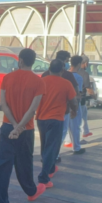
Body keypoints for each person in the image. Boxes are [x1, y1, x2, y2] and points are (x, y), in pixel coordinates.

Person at [0, 48, 46, 203]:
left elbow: (3, 104)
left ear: (21, 60)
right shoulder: (39, 82)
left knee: (2, 167)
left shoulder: (7, 78)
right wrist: (20, 127)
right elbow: (32, 110)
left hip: (7, 128)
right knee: (24, 164)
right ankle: (31, 191)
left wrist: (14, 125)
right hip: (26, 130)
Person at [36, 59, 76, 187]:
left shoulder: (41, 82)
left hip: (41, 119)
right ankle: (43, 178)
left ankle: (51, 168)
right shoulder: (66, 83)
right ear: (62, 71)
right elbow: (73, 101)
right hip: (56, 119)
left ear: (49, 69)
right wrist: (74, 111)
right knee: (52, 148)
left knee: (45, 145)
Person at [62, 55, 87, 154]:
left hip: (64, 104)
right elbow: (78, 94)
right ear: (78, 64)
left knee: (65, 128)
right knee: (75, 126)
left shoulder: (65, 74)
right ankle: (76, 147)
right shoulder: (78, 77)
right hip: (74, 104)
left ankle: (67, 142)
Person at [75, 55, 95, 138]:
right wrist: (94, 96)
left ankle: (86, 131)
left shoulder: (72, 72)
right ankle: (74, 139)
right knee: (80, 118)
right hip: (81, 99)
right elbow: (88, 88)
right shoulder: (84, 74)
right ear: (85, 63)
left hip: (72, 99)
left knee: (83, 116)